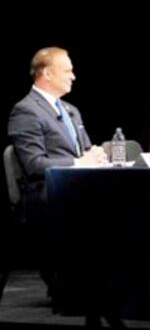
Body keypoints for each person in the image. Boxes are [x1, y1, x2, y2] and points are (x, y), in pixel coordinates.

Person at [7, 47, 108, 291]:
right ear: (47, 74)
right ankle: (72, 284)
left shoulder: (72, 110)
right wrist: (80, 163)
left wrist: (96, 155)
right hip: (45, 189)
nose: (73, 76)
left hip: (77, 185)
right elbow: (34, 164)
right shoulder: (26, 110)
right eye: (68, 71)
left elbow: (84, 152)